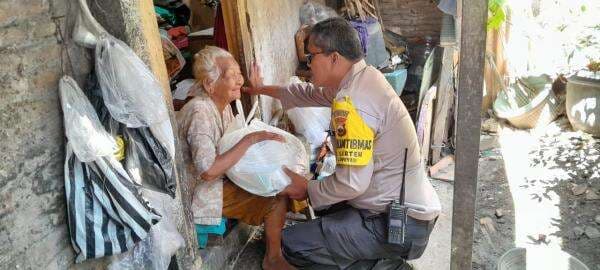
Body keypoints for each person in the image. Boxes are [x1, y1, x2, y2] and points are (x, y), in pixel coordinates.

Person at [244, 18, 442, 269]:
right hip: (403, 211)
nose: (309, 64)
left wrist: (306, 188)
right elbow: (307, 93)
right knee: (326, 207)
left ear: (334, 58)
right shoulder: (363, 77)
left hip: (397, 224)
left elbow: (351, 183)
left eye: (311, 56)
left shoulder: (352, 102)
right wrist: (261, 89)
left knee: (292, 244)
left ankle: (385, 264)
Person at [177, 46, 295, 270]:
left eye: (239, 74)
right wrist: (250, 140)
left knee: (280, 181)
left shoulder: (223, 107)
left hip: (220, 178)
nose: (240, 80)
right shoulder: (200, 111)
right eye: (231, 76)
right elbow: (208, 171)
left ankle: (278, 248)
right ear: (210, 84)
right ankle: (273, 258)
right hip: (199, 190)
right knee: (274, 197)